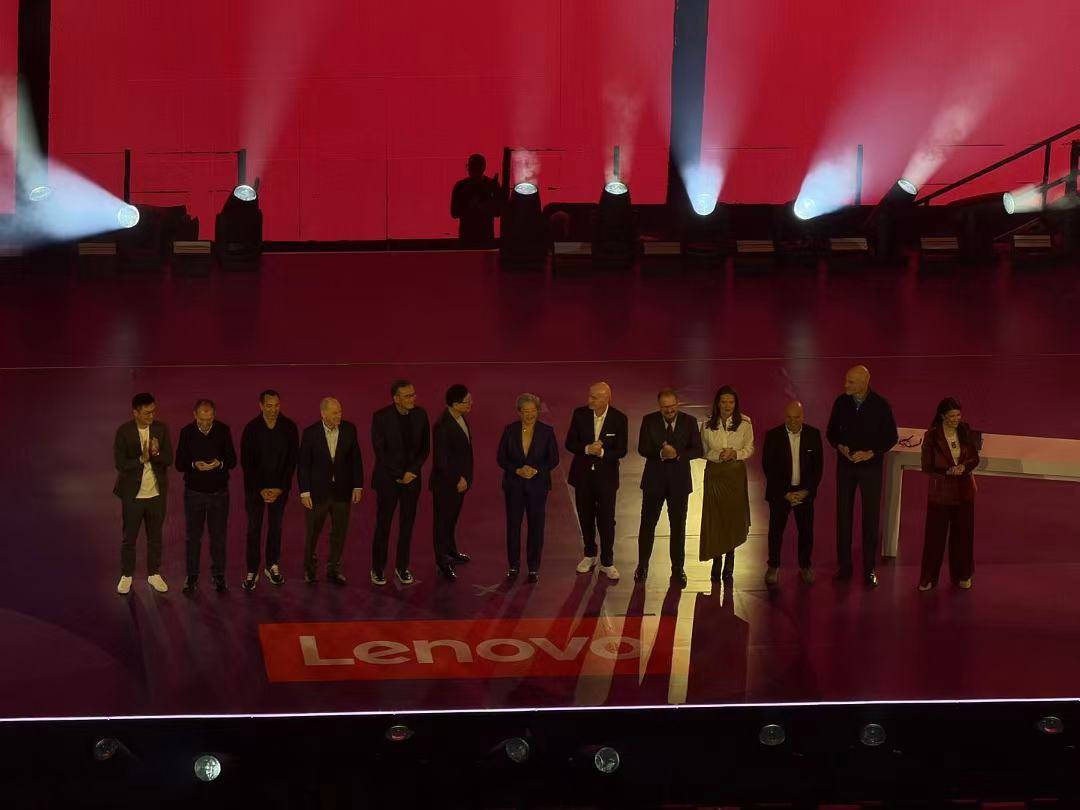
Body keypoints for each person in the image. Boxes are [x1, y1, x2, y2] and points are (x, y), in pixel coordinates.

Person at [826, 365, 899, 588]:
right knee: (843, 517)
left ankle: (869, 569)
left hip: (870, 469)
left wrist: (870, 453)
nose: (845, 385)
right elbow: (831, 432)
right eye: (846, 380)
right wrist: (840, 446)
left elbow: (891, 437)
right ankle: (844, 566)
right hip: (846, 467)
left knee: (870, 519)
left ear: (865, 383)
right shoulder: (841, 402)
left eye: (851, 382)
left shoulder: (881, 405)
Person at [635, 388, 703, 587]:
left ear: (677, 404)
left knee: (678, 527)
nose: (669, 410)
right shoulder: (649, 420)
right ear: (659, 406)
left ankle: (678, 569)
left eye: (672, 406)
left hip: (679, 484)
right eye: (665, 407)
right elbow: (642, 448)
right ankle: (642, 566)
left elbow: (698, 449)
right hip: (653, 482)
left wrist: (677, 454)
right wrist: (661, 453)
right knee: (647, 525)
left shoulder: (690, 421)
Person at [297, 397, 364, 586]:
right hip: (317, 494)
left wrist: (357, 486)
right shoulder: (310, 433)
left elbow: (356, 459)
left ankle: (333, 569)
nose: (339, 416)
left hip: (342, 492)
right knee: (313, 534)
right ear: (323, 413)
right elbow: (303, 465)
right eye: (335, 413)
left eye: (340, 412)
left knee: (339, 533)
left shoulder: (349, 429)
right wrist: (304, 492)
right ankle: (310, 570)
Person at [566, 381, 629, 580]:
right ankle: (589, 554)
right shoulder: (579, 414)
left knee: (607, 520)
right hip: (582, 477)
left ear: (606, 398)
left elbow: (622, 450)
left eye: (594, 397)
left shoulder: (619, 419)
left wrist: (601, 452)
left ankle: (607, 562)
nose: (589, 400)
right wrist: (587, 449)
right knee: (585, 517)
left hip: (606, 480)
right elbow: (570, 443)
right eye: (589, 396)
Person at [370, 380, 430, 586]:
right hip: (388, 480)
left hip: (411, 480)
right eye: (407, 396)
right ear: (396, 399)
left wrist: (411, 471)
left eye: (413, 394)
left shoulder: (421, 415)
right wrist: (399, 474)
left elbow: (425, 448)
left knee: (407, 525)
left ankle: (402, 567)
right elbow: (380, 451)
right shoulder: (381, 417)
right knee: (383, 525)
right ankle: (378, 569)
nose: (412, 398)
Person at [113, 392, 173, 595]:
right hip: (133, 495)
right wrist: (141, 459)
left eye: (153, 411)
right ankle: (126, 575)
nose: (151, 416)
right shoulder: (124, 432)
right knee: (129, 538)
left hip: (156, 494)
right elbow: (120, 464)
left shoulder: (161, 429)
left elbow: (168, 459)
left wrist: (156, 454)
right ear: (136, 412)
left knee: (155, 537)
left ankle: (154, 574)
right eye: (147, 413)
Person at [496, 393, 560, 583]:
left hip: (538, 487)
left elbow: (553, 459)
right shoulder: (509, 430)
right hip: (514, 487)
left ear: (538, 411)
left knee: (536, 527)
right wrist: (517, 469)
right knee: (513, 526)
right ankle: (513, 566)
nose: (529, 415)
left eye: (533, 411)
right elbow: (501, 458)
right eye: (525, 411)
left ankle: (533, 568)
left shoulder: (547, 432)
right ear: (519, 412)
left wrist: (536, 470)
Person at [175, 399, 237, 594]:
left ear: (214, 416)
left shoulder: (223, 430)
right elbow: (179, 463)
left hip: (219, 494)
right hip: (194, 493)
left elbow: (232, 460)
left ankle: (219, 576)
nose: (205, 423)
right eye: (201, 420)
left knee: (218, 537)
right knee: (193, 537)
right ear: (195, 415)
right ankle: (191, 577)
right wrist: (194, 465)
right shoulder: (186, 432)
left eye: (209, 419)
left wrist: (219, 463)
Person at [918, 397, 980, 591]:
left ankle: (963, 575)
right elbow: (927, 465)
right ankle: (928, 578)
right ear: (942, 416)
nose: (956, 419)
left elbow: (974, 458)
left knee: (963, 536)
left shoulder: (965, 430)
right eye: (952, 416)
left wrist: (964, 467)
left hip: (963, 493)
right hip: (941, 493)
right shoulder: (931, 436)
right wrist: (947, 470)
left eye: (958, 415)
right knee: (935, 538)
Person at [240, 389, 299, 591]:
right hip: (255, 491)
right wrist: (261, 489)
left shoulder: (289, 427)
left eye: (276, 406)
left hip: (279, 490)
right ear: (261, 406)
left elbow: (292, 461)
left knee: (276, 527)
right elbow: (247, 463)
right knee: (253, 529)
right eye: (269, 406)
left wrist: (280, 488)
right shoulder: (251, 429)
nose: (273, 410)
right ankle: (252, 570)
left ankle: (272, 565)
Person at [761, 400, 823, 587]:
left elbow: (818, 468)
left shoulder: (813, 435)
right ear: (784, 416)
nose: (792, 421)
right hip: (781, 494)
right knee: (776, 532)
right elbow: (768, 467)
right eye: (789, 417)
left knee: (806, 532)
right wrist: (784, 493)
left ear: (803, 417)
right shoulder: (773, 436)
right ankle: (773, 566)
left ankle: (805, 566)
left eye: (796, 418)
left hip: (804, 493)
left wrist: (807, 491)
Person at [699, 385, 754, 583]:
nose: (727, 406)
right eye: (723, 402)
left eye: (731, 402)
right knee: (715, 518)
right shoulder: (707, 425)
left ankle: (730, 562)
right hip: (714, 474)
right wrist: (719, 455)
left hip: (735, 475)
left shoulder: (745, 423)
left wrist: (735, 454)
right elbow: (702, 450)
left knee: (732, 517)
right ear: (717, 403)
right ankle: (716, 560)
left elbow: (749, 448)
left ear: (736, 404)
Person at [430, 384, 474, 581]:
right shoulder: (442, 425)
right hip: (447, 485)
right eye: (467, 401)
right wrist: (459, 478)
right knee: (442, 523)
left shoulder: (460, 417)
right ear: (455, 404)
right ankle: (442, 561)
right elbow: (441, 460)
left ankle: (451, 551)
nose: (470, 404)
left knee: (451, 520)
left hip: (460, 482)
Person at [450, 153, 502, 247]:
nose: (470, 169)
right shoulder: (492, 184)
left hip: (475, 238)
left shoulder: (461, 186)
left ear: (482, 167)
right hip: (477, 237)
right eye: (470, 166)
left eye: (473, 166)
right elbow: (454, 213)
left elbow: (498, 211)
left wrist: (476, 205)